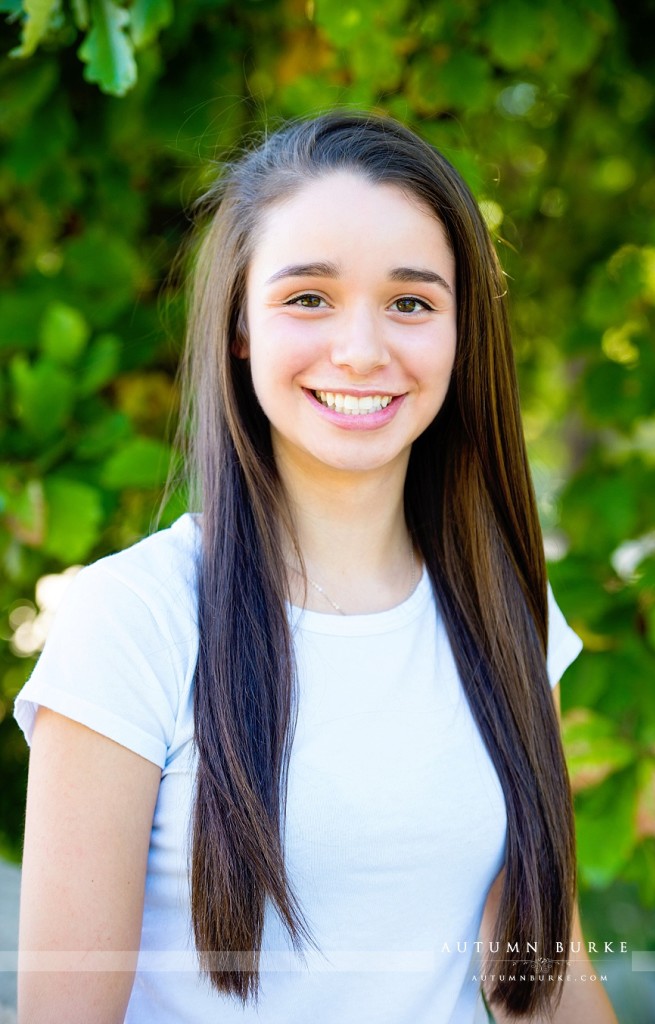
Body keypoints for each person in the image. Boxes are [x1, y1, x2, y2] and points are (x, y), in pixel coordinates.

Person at [14, 111, 618, 1024]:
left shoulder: (509, 611)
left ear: (460, 337)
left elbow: (540, 980)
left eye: (411, 303)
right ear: (240, 328)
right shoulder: (133, 619)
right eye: (308, 298)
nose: (363, 350)